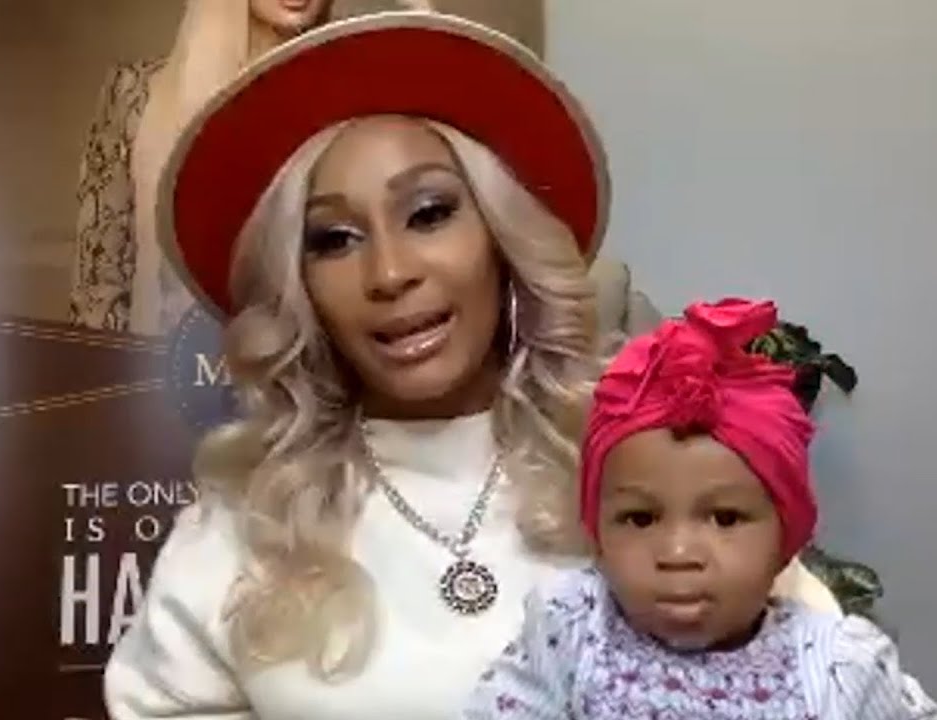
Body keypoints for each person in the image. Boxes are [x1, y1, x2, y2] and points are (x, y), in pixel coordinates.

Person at [103, 12, 840, 719]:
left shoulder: (653, 460)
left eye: (428, 214)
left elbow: (825, 681)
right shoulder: (247, 524)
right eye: (333, 239)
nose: (390, 273)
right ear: (298, 287)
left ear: (501, 237)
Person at [463, 298, 937, 719]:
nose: (678, 553)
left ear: (785, 537)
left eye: (726, 518)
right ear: (597, 533)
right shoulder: (570, 631)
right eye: (640, 519)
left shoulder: (840, 668)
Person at [68, 0, 428, 335]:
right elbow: (98, 285)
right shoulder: (137, 95)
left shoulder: (352, 96)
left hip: (306, 366)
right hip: (162, 367)